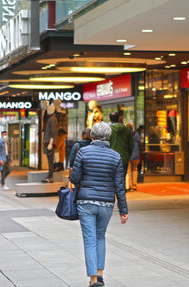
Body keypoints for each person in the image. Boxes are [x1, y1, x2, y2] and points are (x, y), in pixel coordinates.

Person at [69, 122, 128, 287]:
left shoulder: (83, 152)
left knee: (89, 239)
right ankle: (100, 274)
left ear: (92, 136)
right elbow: (120, 186)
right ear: (108, 137)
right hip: (107, 203)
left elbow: (74, 178)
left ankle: (93, 279)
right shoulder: (116, 156)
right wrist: (123, 210)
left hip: (86, 202)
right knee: (100, 236)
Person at [109, 112, 134, 177]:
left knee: (111, 179)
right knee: (122, 180)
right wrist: (128, 155)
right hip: (124, 158)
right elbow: (131, 145)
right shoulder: (127, 130)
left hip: (111, 158)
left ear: (110, 119)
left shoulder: (108, 129)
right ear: (118, 118)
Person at [42, 105, 58, 183]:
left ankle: (50, 176)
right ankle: (50, 176)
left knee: (50, 160)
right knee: (50, 160)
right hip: (48, 142)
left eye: (50, 108)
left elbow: (53, 132)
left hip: (49, 143)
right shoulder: (51, 119)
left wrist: (51, 143)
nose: (48, 110)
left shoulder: (52, 119)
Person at [129, 125, 143, 191]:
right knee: (135, 169)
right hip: (136, 154)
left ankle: (130, 185)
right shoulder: (136, 134)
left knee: (129, 170)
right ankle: (134, 185)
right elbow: (140, 143)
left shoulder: (126, 134)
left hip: (128, 155)